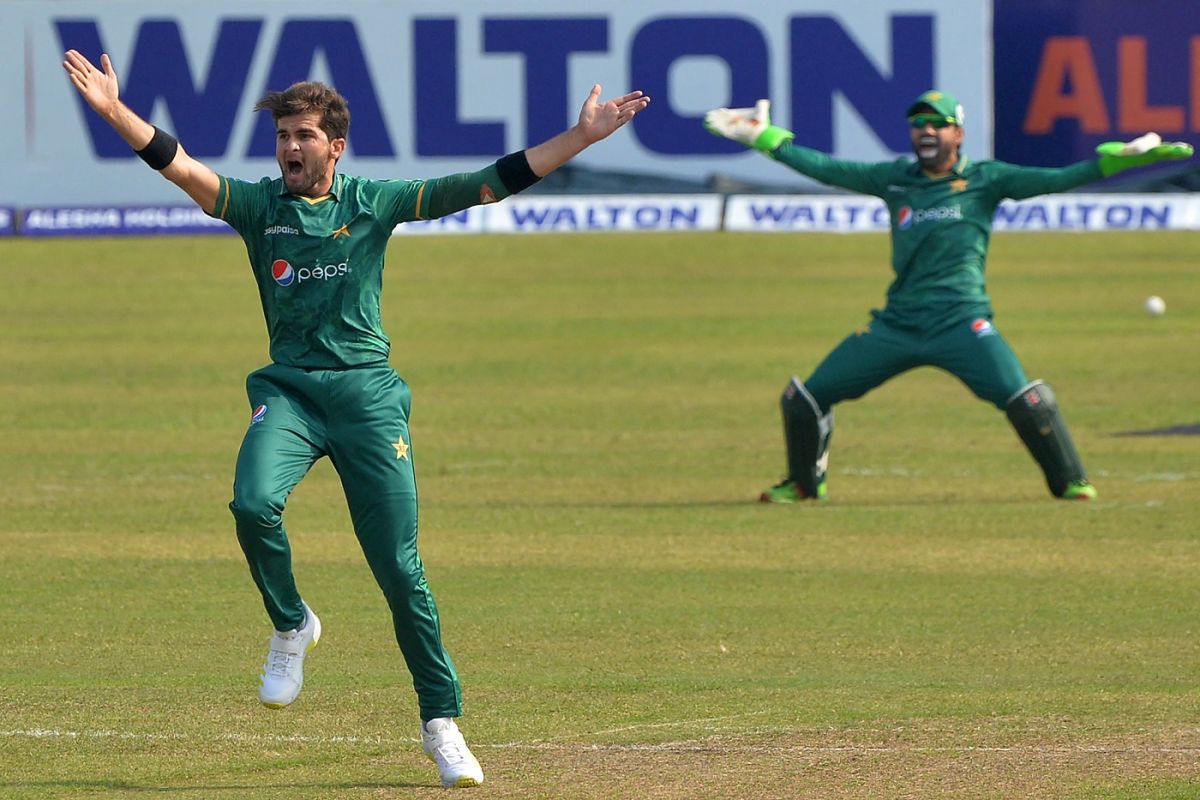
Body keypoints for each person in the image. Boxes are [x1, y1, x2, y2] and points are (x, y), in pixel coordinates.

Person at [63, 48, 649, 788]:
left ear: (335, 148)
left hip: (369, 398)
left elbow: (483, 186)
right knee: (251, 503)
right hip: (291, 395)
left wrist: (581, 137)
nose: (289, 150)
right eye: (282, 138)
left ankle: (442, 723)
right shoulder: (257, 209)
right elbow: (178, 164)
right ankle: (290, 623)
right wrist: (115, 111)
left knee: (401, 572)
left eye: (303, 137)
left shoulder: (371, 202)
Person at [704, 91, 1193, 503]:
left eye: (938, 124)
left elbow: (1055, 180)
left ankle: (1071, 484)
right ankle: (805, 486)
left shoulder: (987, 179)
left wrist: (1113, 162)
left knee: (1028, 400)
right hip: (896, 325)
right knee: (804, 399)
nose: (927, 132)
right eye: (919, 124)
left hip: (963, 324)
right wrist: (763, 138)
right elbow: (828, 168)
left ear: (958, 133)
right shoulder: (895, 178)